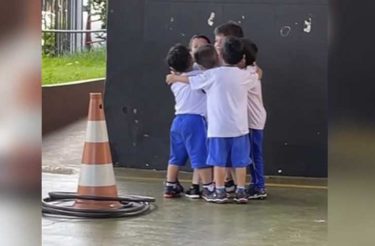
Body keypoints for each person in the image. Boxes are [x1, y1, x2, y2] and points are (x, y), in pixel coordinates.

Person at [166, 37, 258, 204]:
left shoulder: (210, 75)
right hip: (239, 127)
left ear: (221, 54)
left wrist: (175, 78)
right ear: (241, 58)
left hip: (217, 128)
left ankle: (219, 191)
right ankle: (241, 191)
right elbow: (256, 75)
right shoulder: (243, 76)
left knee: (218, 161)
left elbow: (191, 80)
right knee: (240, 161)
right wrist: (254, 69)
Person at [163, 44, 213, 199]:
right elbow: (206, 74)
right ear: (190, 60)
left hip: (178, 121)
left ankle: (170, 185)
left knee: (175, 156)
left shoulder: (174, 81)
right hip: (195, 120)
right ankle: (208, 187)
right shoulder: (198, 76)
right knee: (200, 154)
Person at [185, 34, 213, 199]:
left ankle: (219, 184)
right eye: (195, 46)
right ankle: (197, 185)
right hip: (199, 118)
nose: (198, 50)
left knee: (210, 153)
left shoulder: (214, 71)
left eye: (202, 47)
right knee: (199, 153)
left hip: (213, 117)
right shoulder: (189, 72)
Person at [240, 38, 268, 199]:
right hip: (252, 119)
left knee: (254, 154)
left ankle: (259, 186)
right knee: (252, 153)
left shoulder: (247, 74)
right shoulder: (253, 70)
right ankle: (256, 183)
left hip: (253, 120)